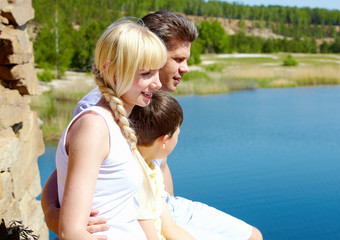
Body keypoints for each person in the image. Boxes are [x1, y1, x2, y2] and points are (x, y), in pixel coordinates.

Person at [41, 11, 262, 240]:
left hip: (164, 208)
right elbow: (66, 177)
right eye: (177, 59)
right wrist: (51, 213)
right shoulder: (96, 119)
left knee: (253, 236)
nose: (185, 68)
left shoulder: (145, 100)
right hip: (148, 217)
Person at [54, 19, 167, 240]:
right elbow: (72, 231)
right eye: (146, 74)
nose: (158, 83)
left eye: (157, 72)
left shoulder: (115, 123)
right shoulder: (94, 127)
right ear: (111, 70)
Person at [131, 91, 193, 240]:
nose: (178, 137)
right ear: (164, 140)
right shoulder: (136, 176)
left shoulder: (152, 167)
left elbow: (169, 227)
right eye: (177, 133)